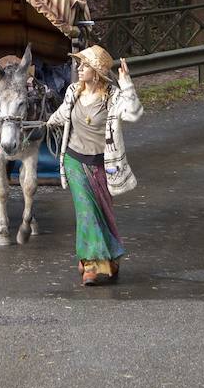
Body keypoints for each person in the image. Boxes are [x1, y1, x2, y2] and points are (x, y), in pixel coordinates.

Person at [45, 44, 143, 286]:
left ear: (97, 71)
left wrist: (127, 84)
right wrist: (45, 123)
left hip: (102, 164)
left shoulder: (112, 95)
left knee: (103, 214)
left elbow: (134, 113)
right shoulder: (72, 92)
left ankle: (109, 257)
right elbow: (62, 114)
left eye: (85, 65)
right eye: (79, 64)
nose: (79, 68)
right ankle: (91, 264)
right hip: (74, 160)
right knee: (86, 212)